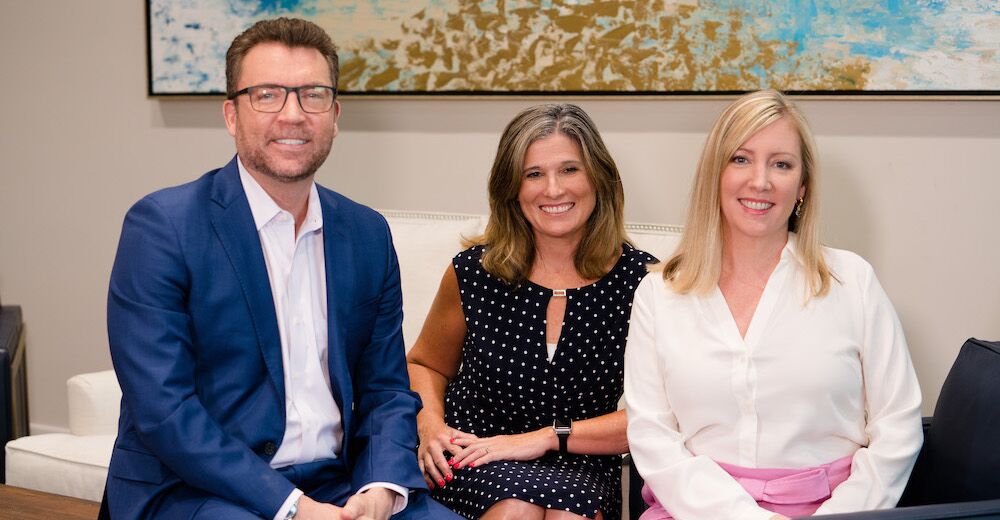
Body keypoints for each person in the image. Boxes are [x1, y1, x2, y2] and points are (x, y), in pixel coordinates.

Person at [104, 17, 460, 520]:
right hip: (196, 489)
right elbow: (165, 412)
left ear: (334, 115)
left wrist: (381, 487)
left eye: (312, 95)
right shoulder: (163, 226)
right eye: (267, 94)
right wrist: (291, 507)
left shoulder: (366, 234)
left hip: (339, 484)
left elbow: (385, 390)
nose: (293, 115)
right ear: (232, 114)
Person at [624, 90, 923, 519]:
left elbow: (899, 426)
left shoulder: (852, 280)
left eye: (781, 164)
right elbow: (651, 435)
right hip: (698, 511)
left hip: (836, 511)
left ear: (802, 187)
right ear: (715, 174)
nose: (760, 181)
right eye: (741, 159)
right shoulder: (660, 293)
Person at [406, 104, 656, 520]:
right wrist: (430, 424)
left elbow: (657, 415)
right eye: (533, 174)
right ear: (512, 189)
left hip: (583, 461)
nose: (553, 190)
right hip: (476, 452)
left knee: (568, 513)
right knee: (515, 509)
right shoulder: (473, 272)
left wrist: (544, 438)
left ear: (600, 178)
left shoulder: (643, 282)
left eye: (570, 170)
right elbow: (424, 363)